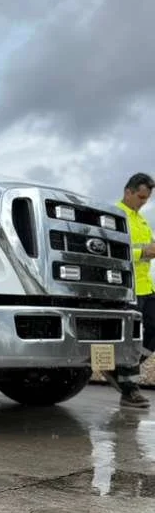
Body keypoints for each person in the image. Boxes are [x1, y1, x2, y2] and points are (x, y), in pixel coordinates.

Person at [106, 172, 155, 408]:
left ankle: (121, 368)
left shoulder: (141, 220)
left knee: (152, 333)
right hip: (127, 287)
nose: (144, 201)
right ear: (129, 191)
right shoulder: (115, 215)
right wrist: (142, 253)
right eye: (141, 197)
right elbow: (110, 250)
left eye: (147, 198)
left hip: (146, 287)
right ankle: (129, 389)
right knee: (131, 338)